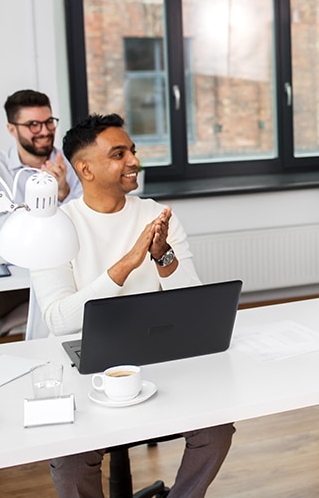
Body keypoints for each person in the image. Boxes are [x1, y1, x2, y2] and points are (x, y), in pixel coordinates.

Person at [30, 113, 233, 498]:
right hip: (87, 367)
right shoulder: (55, 226)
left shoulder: (155, 214)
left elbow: (192, 301)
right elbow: (59, 320)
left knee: (216, 429)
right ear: (84, 168)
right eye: (119, 154)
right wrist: (126, 265)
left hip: (155, 356)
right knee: (70, 463)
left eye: (133, 151)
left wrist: (162, 255)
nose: (134, 161)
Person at [0, 89, 83, 348]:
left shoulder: (72, 165)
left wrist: (62, 192)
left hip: (68, 273)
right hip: (16, 275)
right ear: (11, 129)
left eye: (49, 122)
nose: (44, 130)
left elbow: (84, 223)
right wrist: (42, 205)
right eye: (32, 124)